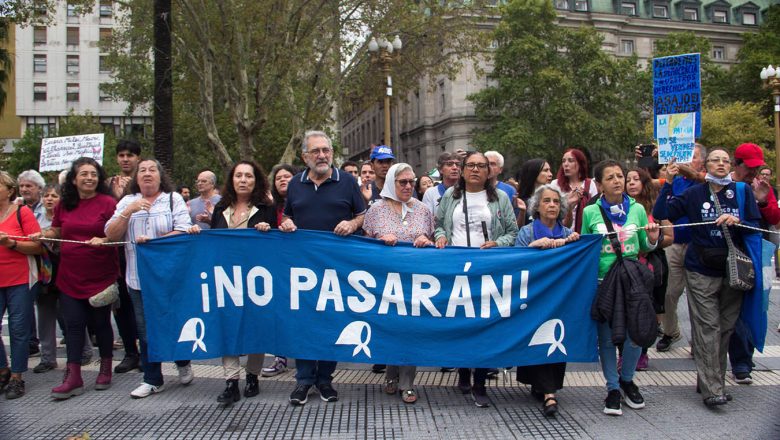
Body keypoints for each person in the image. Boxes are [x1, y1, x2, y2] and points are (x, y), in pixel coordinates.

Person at [660, 148, 761, 406]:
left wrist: (736, 219)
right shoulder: (694, 193)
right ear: (706, 165)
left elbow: (755, 225)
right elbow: (663, 212)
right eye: (715, 160)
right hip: (699, 269)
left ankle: (708, 378)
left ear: (730, 166)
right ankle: (713, 388)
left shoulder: (740, 191)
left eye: (725, 160)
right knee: (708, 328)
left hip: (732, 270)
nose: (720, 164)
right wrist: (668, 182)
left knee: (726, 328)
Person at [280, 130, 366, 406]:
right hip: (303, 270)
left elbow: (362, 214)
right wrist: (287, 223)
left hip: (336, 269)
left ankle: (325, 380)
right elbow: (288, 215)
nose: (322, 155)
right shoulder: (294, 184)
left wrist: (352, 225)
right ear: (305, 157)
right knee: (303, 323)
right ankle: (303, 381)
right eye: (315, 151)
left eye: (326, 150)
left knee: (331, 322)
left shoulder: (348, 182)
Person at [188, 160, 277, 405]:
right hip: (225, 279)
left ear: (256, 180)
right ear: (232, 180)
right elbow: (214, 239)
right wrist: (198, 233)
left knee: (255, 326)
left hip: (256, 279)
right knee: (226, 326)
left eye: (248, 176)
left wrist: (268, 229)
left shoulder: (266, 207)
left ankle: (252, 376)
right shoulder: (221, 208)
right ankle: (231, 381)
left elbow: (277, 243)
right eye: (239, 175)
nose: (243, 180)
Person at [434, 151, 518, 408]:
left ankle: (480, 381)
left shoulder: (501, 198)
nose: (475, 170)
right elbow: (438, 224)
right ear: (462, 169)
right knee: (460, 322)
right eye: (470, 165)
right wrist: (440, 236)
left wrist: (498, 242)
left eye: (481, 166)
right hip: (456, 267)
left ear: (488, 171)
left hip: (487, 268)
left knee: (484, 325)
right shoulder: (450, 196)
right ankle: (462, 371)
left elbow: (512, 233)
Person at [31, 158, 119, 400]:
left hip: (101, 276)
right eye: (84, 174)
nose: (89, 178)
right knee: (73, 326)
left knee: (101, 324)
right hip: (70, 276)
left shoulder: (109, 203)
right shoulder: (65, 204)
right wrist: (45, 233)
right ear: (74, 179)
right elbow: (58, 229)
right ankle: (73, 377)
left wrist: (104, 239)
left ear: (99, 178)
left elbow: (116, 232)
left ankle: (105, 369)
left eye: (93, 174)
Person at [105, 159, 194, 399]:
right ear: (136, 177)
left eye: (151, 170)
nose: (146, 174)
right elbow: (111, 234)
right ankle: (153, 378)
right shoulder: (126, 202)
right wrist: (128, 212)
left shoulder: (173, 199)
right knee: (145, 329)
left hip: (169, 278)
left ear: (160, 176)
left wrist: (156, 243)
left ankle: (182, 361)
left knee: (173, 322)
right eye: (142, 170)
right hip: (138, 278)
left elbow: (185, 229)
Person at [581, 160, 659, 416]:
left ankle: (627, 379)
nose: (617, 181)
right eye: (611, 177)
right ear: (599, 184)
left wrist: (653, 237)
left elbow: (644, 246)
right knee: (606, 338)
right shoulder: (591, 212)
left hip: (632, 281)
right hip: (604, 282)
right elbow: (585, 248)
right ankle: (612, 388)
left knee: (635, 333)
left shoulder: (637, 210)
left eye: (620, 176)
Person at [363, 163, 435, 404]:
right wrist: (380, 240)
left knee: (410, 331)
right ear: (391, 183)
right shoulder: (376, 210)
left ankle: (407, 382)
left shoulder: (424, 209)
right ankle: (391, 374)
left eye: (412, 182)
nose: (408, 186)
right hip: (384, 283)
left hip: (415, 282)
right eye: (402, 182)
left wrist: (426, 240)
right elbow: (362, 247)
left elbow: (433, 242)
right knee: (391, 329)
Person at [515, 184, 579, 417]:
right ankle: (548, 393)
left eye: (555, 202)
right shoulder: (527, 232)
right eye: (547, 201)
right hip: (533, 297)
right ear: (537, 207)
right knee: (536, 337)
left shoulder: (567, 232)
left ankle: (546, 389)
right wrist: (533, 247)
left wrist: (574, 244)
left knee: (555, 338)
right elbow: (515, 262)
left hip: (560, 298)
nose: (552, 205)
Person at [726, 143, 780, 385]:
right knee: (731, 307)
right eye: (749, 167)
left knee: (754, 303)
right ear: (737, 164)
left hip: (756, 253)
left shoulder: (762, 186)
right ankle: (738, 360)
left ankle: (744, 360)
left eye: (757, 167)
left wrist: (762, 200)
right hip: (727, 253)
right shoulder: (724, 184)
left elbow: (775, 219)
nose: (753, 172)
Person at [652, 144, 706, 353]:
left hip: (697, 247)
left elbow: (696, 177)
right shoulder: (675, 180)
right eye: (684, 156)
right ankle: (670, 331)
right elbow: (660, 204)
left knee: (698, 295)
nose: (687, 160)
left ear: (701, 162)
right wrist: (656, 157)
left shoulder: (705, 181)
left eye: (692, 156)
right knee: (669, 292)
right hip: (674, 243)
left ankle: (699, 339)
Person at [625, 167, 673, 371]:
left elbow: (670, 237)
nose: (631, 183)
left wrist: (650, 241)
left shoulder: (657, 208)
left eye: (636, 179)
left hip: (650, 265)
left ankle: (642, 352)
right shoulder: (620, 208)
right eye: (628, 180)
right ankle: (624, 353)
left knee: (646, 310)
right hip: (626, 265)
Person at [0, 171, 43, 399]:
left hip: (20, 279)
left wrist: (11, 243)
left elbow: (37, 246)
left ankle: (17, 376)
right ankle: (3, 370)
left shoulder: (22, 212)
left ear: (9, 190)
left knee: (18, 329)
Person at [107, 140, 142, 375]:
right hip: (116, 256)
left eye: (130, 155)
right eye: (121, 155)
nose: (125, 159)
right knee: (122, 306)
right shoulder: (108, 184)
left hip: (142, 253)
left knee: (145, 306)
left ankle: (150, 351)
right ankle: (131, 352)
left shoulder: (147, 181)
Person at [261, 164, 297, 379]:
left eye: (288, 176)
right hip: (275, 266)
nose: (283, 180)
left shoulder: (304, 203)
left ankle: (304, 361)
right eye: (279, 178)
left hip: (301, 264)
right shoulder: (268, 207)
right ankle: (280, 358)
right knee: (279, 312)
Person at [30, 184, 63, 374]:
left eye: (54, 196)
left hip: (64, 269)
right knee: (44, 315)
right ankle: (48, 357)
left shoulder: (66, 217)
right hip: (44, 273)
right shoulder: (34, 218)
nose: (50, 199)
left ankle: (84, 351)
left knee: (69, 314)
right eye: (47, 195)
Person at [17, 170, 46, 357]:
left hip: (46, 262)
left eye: (29, 186)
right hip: (22, 262)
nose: (25, 189)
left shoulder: (47, 207)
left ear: (39, 189)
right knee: (25, 307)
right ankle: (30, 341)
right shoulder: (15, 208)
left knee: (51, 307)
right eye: (22, 186)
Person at [551, 148, 598, 233]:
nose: (566, 164)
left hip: (584, 234)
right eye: (563, 161)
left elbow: (595, 211)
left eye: (570, 161)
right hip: (560, 234)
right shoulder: (555, 184)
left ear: (580, 164)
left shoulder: (590, 184)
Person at [516, 158, 554, 227]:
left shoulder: (553, 200)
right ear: (533, 173)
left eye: (549, 170)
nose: (550, 174)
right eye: (545, 170)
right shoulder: (520, 202)